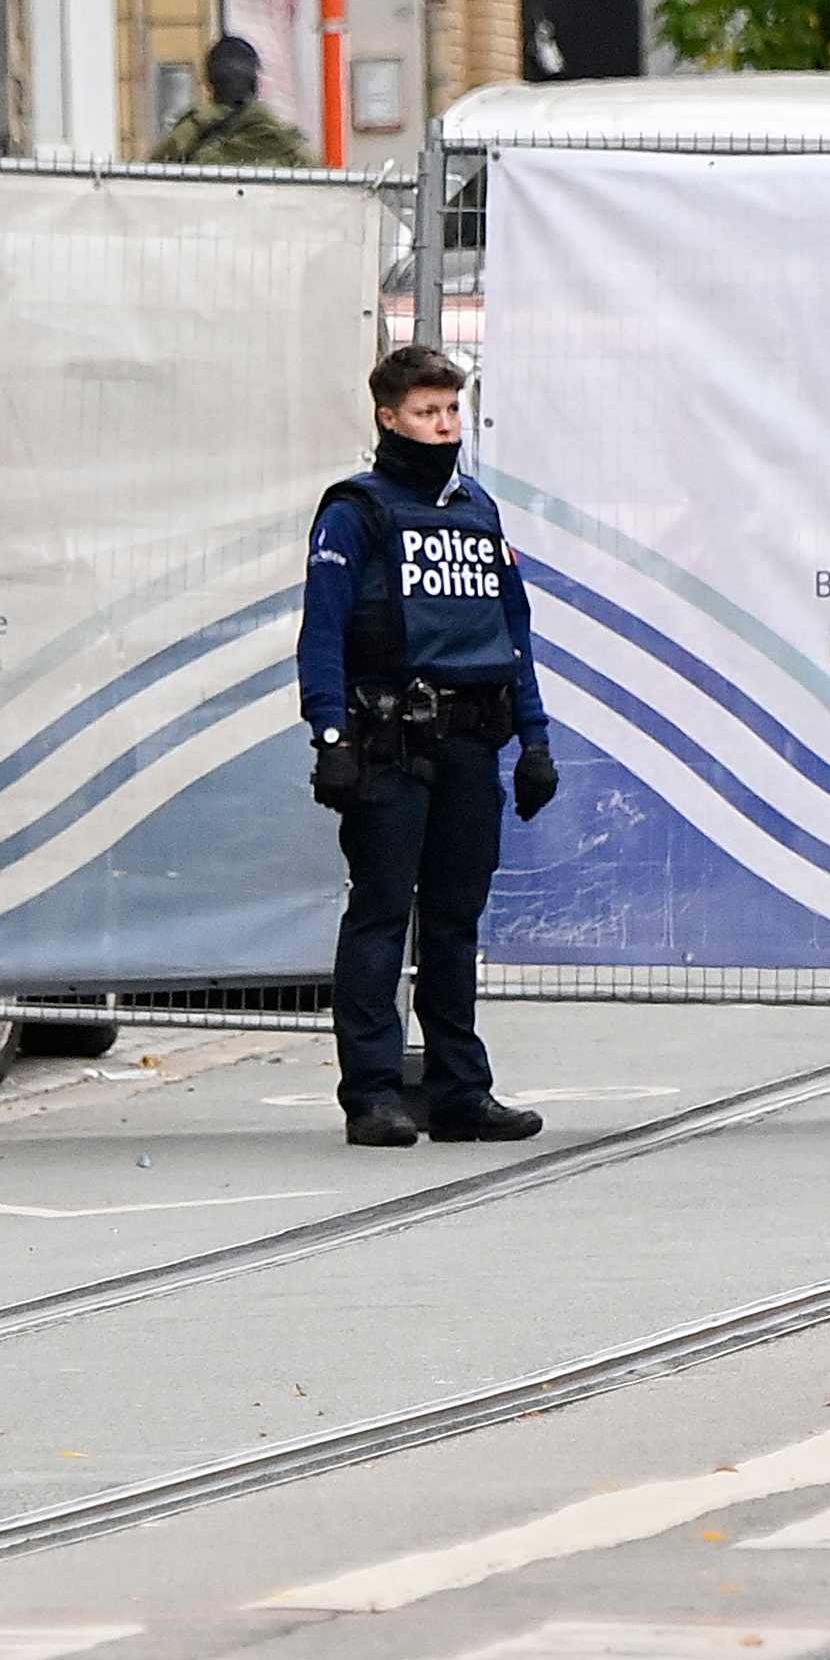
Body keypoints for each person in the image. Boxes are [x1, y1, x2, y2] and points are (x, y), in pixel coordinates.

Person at [297, 344, 554, 1147]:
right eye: (427, 413)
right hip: (387, 742)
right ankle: (372, 1095)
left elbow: (514, 631)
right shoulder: (356, 510)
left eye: (452, 411)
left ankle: (459, 1094)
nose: (445, 426)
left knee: (455, 922)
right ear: (388, 417)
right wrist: (330, 734)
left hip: (471, 742)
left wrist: (536, 740)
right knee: (379, 914)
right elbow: (323, 632)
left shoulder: (478, 511)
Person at [154, 35, 319, 171]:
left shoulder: (187, 137)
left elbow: (149, 185)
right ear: (255, 81)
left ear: (208, 82)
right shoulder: (286, 142)